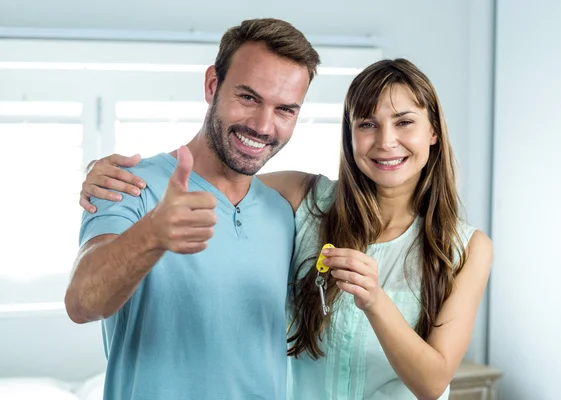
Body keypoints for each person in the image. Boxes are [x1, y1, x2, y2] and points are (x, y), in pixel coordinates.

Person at [80, 58, 492, 400]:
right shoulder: (304, 197)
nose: (386, 141)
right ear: (349, 136)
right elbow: (219, 181)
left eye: (404, 122)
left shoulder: (468, 248)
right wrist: (108, 172)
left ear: (433, 131)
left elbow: (433, 382)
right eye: (366, 124)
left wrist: (375, 301)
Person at [65, 18, 320, 400]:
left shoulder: (284, 209)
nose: (263, 126)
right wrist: (152, 235)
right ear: (212, 85)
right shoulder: (128, 184)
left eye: (285, 109)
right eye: (248, 98)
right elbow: (83, 301)